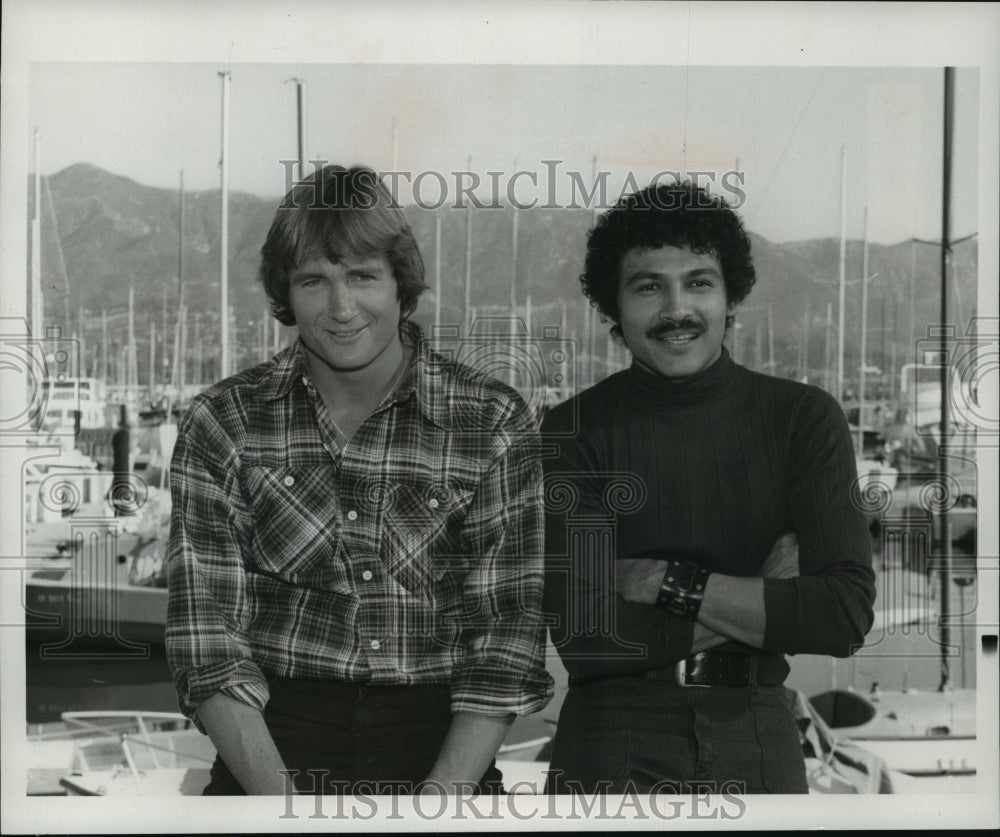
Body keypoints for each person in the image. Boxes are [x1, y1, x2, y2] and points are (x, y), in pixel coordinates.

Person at [166, 164, 553, 796]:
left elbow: (507, 632)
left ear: (402, 283)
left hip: (443, 749)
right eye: (314, 280)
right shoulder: (225, 422)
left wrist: (439, 802)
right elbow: (206, 640)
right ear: (285, 294)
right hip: (268, 749)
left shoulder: (491, 420)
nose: (341, 308)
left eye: (363, 276)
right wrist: (282, 811)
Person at [541, 180, 875, 794]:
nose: (677, 309)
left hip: (757, 734)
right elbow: (589, 642)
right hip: (610, 741)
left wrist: (657, 581)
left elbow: (841, 617)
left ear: (730, 296)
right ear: (614, 310)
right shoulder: (570, 431)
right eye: (648, 286)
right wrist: (769, 593)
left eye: (699, 282)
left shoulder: (803, 419)